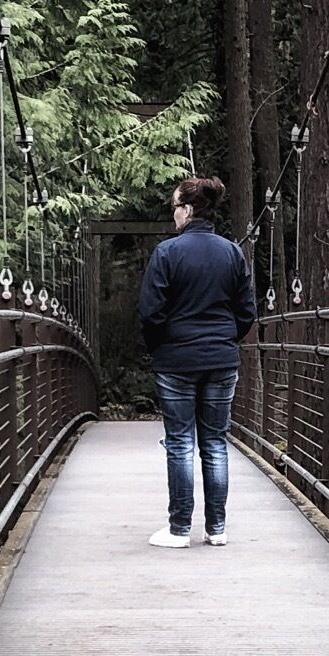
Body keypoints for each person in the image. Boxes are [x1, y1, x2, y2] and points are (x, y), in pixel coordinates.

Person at [135, 174, 257, 547]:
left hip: (176, 361)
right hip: (222, 360)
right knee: (216, 443)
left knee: (180, 443)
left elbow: (150, 313)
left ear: (187, 210)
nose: (173, 215)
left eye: (174, 207)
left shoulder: (167, 253)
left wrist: (163, 347)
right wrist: (223, 340)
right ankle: (217, 529)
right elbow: (246, 312)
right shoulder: (232, 252)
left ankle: (179, 529)